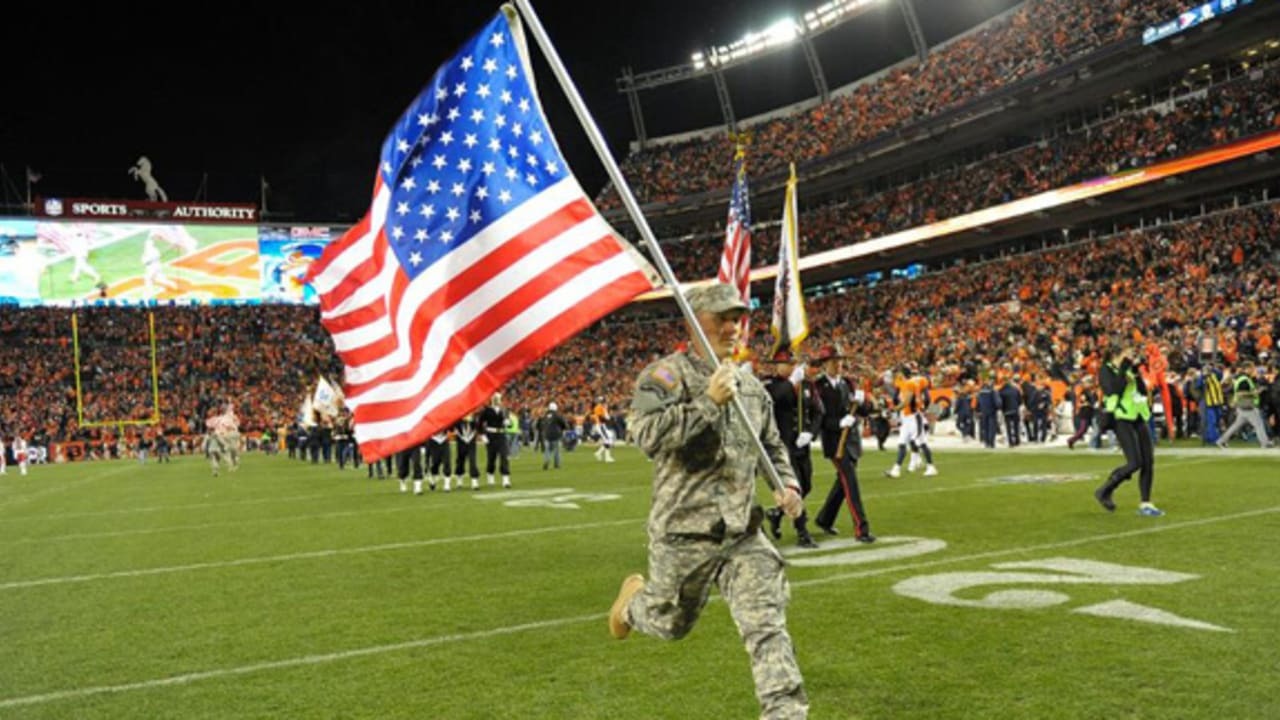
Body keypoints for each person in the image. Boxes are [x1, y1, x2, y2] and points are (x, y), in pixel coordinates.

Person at [608, 282, 809, 719]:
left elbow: (772, 447)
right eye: (722, 318)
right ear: (694, 320)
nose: (732, 326)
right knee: (670, 623)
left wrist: (788, 486)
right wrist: (707, 403)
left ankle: (785, 713)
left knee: (766, 627)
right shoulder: (665, 376)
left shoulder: (752, 387)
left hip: (741, 533)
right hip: (683, 533)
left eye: (737, 318)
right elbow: (644, 437)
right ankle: (631, 605)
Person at [811, 345, 876, 543]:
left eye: (840, 360)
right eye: (833, 361)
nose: (838, 364)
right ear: (824, 364)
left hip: (852, 441)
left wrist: (864, 402)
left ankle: (824, 519)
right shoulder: (818, 387)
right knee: (851, 483)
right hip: (834, 443)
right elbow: (817, 417)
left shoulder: (849, 383)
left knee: (843, 483)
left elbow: (864, 412)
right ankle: (861, 528)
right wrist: (837, 423)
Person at [762, 347, 823, 548]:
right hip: (782, 446)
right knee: (794, 487)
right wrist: (790, 382)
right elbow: (774, 399)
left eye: (792, 363)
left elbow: (818, 411)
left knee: (806, 485)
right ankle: (802, 532)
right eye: (786, 363)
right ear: (777, 366)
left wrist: (811, 433)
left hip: (801, 445)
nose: (790, 367)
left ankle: (776, 513)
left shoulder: (806, 385)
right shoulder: (771, 384)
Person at [1094, 344, 1163, 517]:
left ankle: (1145, 502)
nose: (1131, 355)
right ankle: (1106, 489)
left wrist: (1137, 372)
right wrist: (1124, 369)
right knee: (1134, 463)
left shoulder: (1129, 369)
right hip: (1121, 418)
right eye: (1128, 352)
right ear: (1117, 354)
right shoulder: (1106, 369)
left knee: (1148, 461)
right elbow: (1113, 389)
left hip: (1139, 415)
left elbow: (1141, 390)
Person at [884, 361, 938, 477]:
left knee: (921, 443)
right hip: (906, 418)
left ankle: (931, 466)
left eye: (898, 373)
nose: (897, 375)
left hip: (914, 417)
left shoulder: (909, 384)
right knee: (902, 443)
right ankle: (896, 469)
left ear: (902, 373)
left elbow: (906, 402)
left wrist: (893, 409)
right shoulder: (907, 383)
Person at [1217, 363, 1274, 448]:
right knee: (1259, 424)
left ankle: (1222, 441)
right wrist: (1255, 392)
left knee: (1235, 426)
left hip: (1242, 406)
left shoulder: (1242, 378)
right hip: (1247, 406)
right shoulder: (1244, 379)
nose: (1253, 370)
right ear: (1247, 368)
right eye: (1252, 368)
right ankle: (1265, 443)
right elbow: (1240, 393)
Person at [478, 393, 512, 488]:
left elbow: (510, 423)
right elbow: (480, 423)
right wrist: (482, 435)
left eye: (499, 398)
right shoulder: (487, 411)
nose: (497, 400)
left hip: (501, 434)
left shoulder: (504, 410)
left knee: (504, 456)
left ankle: (505, 478)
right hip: (491, 435)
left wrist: (508, 423)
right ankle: (490, 476)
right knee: (491, 457)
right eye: (495, 399)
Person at [538, 401, 570, 470]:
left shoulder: (545, 415)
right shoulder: (557, 415)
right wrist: (565, 428)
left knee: (547, 450)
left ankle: (546, 460)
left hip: (546, 435)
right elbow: (563, 423)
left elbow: (541, 424)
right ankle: (556, 465)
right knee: (557, 451)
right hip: (556, 435)